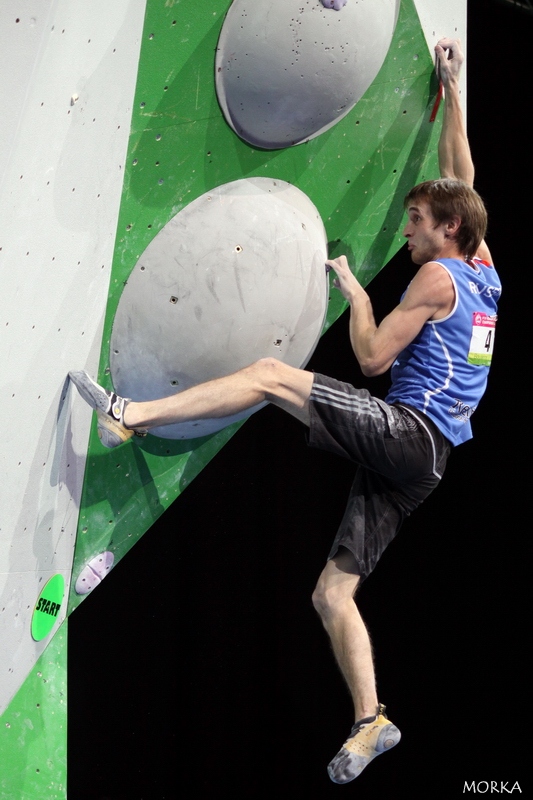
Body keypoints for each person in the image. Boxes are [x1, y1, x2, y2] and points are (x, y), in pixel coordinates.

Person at [69, 39, 500, 783]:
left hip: (409, 434)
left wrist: (354, 291)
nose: (405, 230)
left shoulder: (436, 280)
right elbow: (460, 176)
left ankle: (132, 413)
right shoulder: (484, 270)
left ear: (446, 235)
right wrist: (451, 88)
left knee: (272, 375)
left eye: (415, 219)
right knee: (331, 593)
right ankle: (371, 720)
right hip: (427, 464)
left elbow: (369, 359)